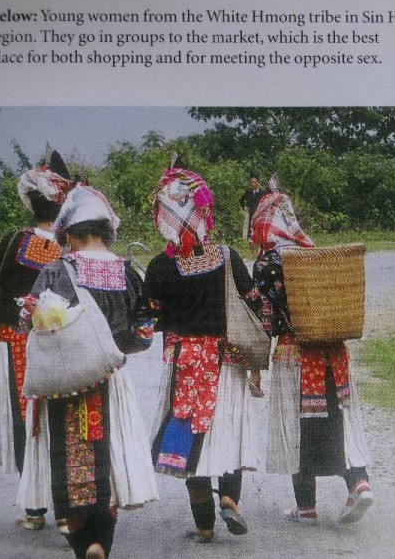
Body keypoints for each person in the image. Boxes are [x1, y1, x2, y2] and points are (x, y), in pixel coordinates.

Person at [20, 183, 158, 559]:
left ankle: (83, 544)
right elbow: (143, 336)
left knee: (70, 459)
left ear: (69, 235)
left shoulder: (54, 271)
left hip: (63, 382)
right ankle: (101, 541)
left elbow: (27, 322)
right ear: (106, 232)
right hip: (110, 380)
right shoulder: (128, 274)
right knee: (109, 458)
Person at [146, 163, 268, 543]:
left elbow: (148, 318)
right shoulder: (228, 257)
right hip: (226, 360)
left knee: (188, 441)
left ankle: (203, 525)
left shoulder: (161, 266)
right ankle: (230, 499)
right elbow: (255, 305)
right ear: (205, 213)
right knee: (227, 433)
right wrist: (256, 364)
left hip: (184, 363)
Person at [250, 192, 374, 525]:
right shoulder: (314, 253)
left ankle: (306, 507)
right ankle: (359, 484)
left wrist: (256, 366)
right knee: (337, 420)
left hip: (295, 355)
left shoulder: (267, 264)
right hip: (332, 354)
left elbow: (266, 320)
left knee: (298, 428)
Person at [0, 149, 72, 530]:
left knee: (25, 421)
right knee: (64, 421)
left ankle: (34, 510)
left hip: (16, 343)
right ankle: (68, 512)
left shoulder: (13, 242)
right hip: (65, 345)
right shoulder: (75, 245)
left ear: (30, 201)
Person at [239, 175, 269, 240]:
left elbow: (267, 202)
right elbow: (241, 200)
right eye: (252, 182)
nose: (253, 184)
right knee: (249, 229)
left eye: (254, 182)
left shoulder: (263, 193)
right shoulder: (248, 191)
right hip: (250, 213)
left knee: (259, 229)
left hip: (259, 214)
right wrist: (244, 207)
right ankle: (249, 243)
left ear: (258, 183)